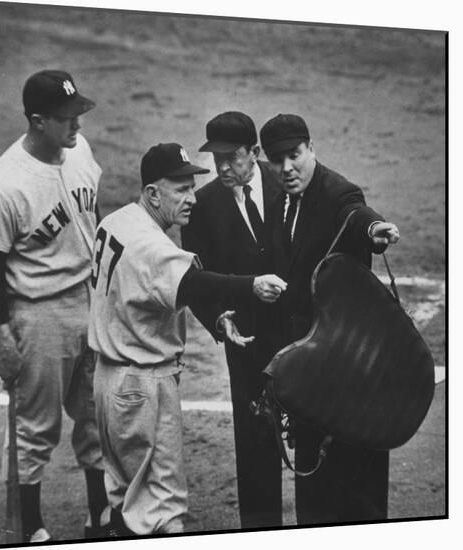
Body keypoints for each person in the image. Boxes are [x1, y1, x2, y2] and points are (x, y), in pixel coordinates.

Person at [88, 142, 286, 536]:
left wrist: (215, 322)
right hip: (143, 387)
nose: (192, 198)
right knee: (163, 509)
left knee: (127, 496)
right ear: (152, 194)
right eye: (180, 189)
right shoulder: (153, 246)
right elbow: (197, 283)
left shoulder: (118, 220)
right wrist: (252, 285)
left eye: (192, 187)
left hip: (108, 382)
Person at [0, 69, 108, 543]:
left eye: (78, 113)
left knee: (95, 415)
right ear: (38, 122)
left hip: (87, 300)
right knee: (36, 428)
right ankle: (31, 527)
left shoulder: (79, 151)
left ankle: (99, 512)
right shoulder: (3, 187)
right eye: (66, 118)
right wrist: (1, 338)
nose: (77, 125)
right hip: (37, 314)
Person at [259, 113, 400, 525]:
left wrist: (374, 228)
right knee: (315, 494)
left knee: (358, 487)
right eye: (277, 159)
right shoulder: (283, 198)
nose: (286, 167)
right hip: (312, 371)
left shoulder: (336, 191)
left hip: (351, 372)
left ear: (311, 149)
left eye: (294, 155)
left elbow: (355, 214)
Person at [181, 112, 284, 529]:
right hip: (247, 339)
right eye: (216, 157)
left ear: (254, 153)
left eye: (232, 157)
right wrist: (217, 320)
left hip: (301, 334)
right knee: (255, 442)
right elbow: (198, 279)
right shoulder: (203, 206)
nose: (222, 166)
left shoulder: (287, 185)